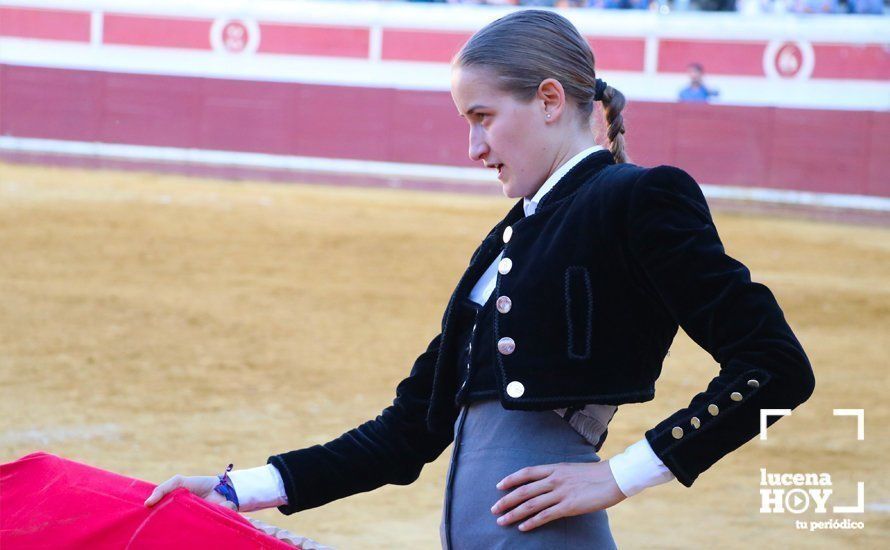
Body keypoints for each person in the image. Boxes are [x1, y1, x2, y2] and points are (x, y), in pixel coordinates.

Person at [145, 10, 815, 548]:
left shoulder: (639, 198)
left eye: (482, 118)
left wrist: (617, 477)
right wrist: (240, 490)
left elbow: (776, 367)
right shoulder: (504, 244)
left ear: (549, 99)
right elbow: (409, 429)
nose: (473, 150)